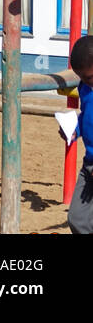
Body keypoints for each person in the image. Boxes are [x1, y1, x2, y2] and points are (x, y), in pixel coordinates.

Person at [65, 36, 93, 234]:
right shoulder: (84, 88)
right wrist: (74, 130)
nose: (85, 81)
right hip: (89, 164)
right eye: (81, 77)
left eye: (89, 77)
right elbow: (86, 117)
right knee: (76, 218)